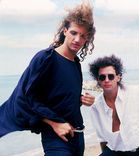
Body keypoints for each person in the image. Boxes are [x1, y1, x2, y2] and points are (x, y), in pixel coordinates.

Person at [0, 2, 96, 156]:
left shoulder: (76, 64)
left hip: (78, 135)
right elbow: (27, 98)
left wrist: (81, 99)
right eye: (74, 32)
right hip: (56, 137)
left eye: (83, 36)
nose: (77, 39)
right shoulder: (46, 58)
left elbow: (59, 99)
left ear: (87, 40)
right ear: (65, 31)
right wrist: (54, 123)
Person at [89, 55, 139, 156]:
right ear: (98, 80)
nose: (106, 80)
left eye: (111, 76)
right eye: (102, 77)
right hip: (113, 152)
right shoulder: (96, 106)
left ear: (118, 77)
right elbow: (102, 138)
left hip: (138, 151)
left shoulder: (137, 92)